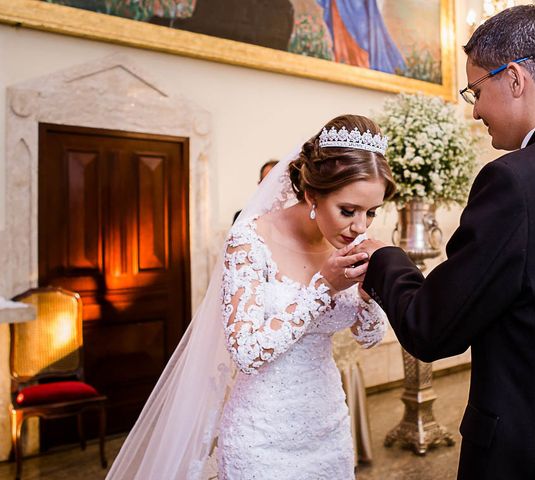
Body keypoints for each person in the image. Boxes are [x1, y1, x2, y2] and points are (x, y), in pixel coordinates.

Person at [354, 6, 535, 480]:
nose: (475, 109)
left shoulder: (513, 183)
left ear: (515, 78)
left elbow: (433, 329)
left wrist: (385, 259)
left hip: (530, 457)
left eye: (476, 89)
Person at [106, 114, 396, 479]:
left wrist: (370, 294)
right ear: (311, 195)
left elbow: (369, 338)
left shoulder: (350, 243)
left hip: (328, 426)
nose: (359, 226)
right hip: (261, 437)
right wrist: (323, 286)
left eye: (371, 212)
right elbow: (246, 352)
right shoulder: (249, 240)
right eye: (348, 211)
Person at [232, 159, 279, 223]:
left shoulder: (292, 219)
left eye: (275, 182)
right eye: (266, 182)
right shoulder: (241, 216)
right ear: (259, 184)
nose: (271, 187)